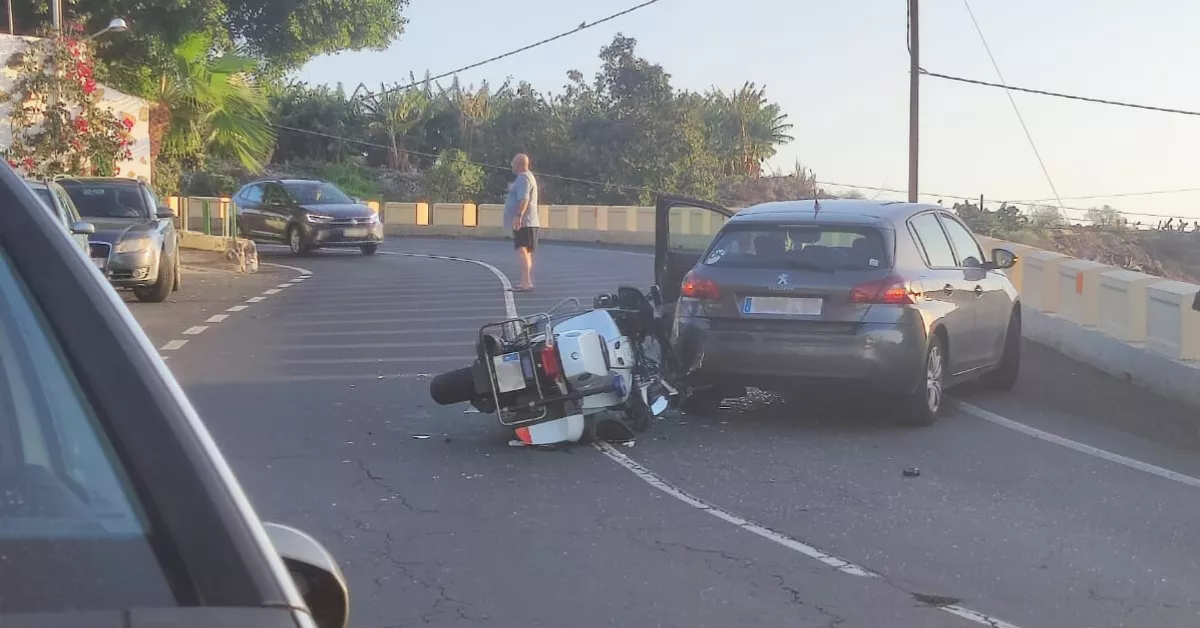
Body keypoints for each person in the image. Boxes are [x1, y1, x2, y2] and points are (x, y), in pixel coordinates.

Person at [504, 153, 539, 291]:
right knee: (525, 251)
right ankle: (526, 281)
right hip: (528, 222)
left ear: (518, 164)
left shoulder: (523, 178)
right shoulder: (526, 177)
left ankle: (526, 283)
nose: (512, 166)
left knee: (523, 250)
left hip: (525, 222)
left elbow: (523, 199)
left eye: (513, 163)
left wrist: (518, 216)